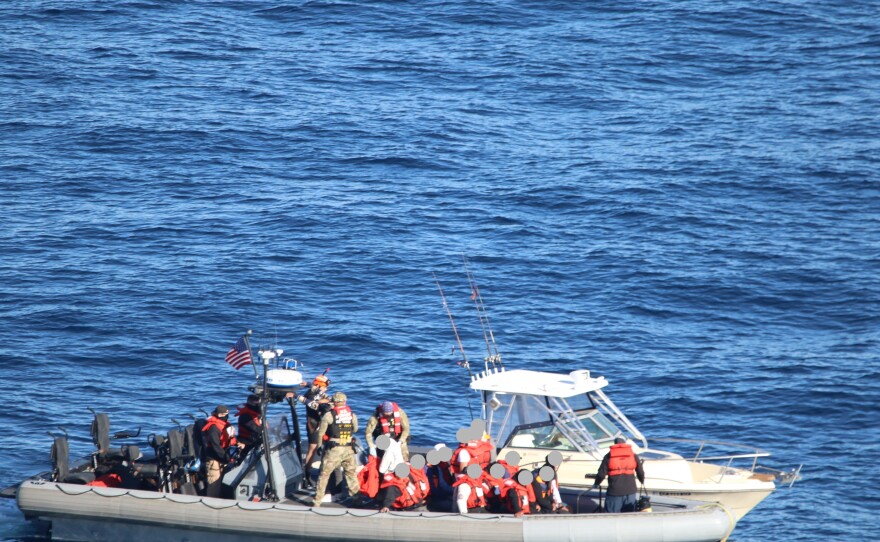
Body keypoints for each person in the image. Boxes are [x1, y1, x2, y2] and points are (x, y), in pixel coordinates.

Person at [312, 391, 360, 507]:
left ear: (334, 402)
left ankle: (317, 501)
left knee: (324, 474)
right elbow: (355, 429)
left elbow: (321, 433)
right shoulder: (352, 414)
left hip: (334, 450)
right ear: (344, 401)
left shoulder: (329, 415)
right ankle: (357, 499)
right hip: (348, 448)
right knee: (351, 475)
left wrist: (319, 446)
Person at [593, 437, 646, 513]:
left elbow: (601, 474)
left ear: (615, 445)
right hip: (630, 491)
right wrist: (642, 480)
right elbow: (640, 472)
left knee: (611, 516)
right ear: (625, 444)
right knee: (629, 516)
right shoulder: (633, 455)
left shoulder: (608, 456)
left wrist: (596, 483)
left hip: (614, 492)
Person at [297, 375, 332, 484]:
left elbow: (330, 401)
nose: (325, 389)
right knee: (313, 448)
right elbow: (314, 405)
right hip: (314, 424)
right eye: (324, 387)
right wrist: (297, 396)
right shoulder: (310, 395)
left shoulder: (319, 393)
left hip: (324, 423)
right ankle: (306, 473)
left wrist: (309, 384)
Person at [202, 405, 237, 498]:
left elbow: (229, 440)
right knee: (214, 482)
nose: (226, 416)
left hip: (223, 457)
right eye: (224, 414)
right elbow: (215, 446)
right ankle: (211, 501)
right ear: (219, 414)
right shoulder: (214, 428)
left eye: (227, 414)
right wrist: (225, 457)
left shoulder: (225, 425)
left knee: (223, 481)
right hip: (214, 459)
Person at [236, 394, 262, 460]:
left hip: (256, 442)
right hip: (247, 444)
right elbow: (257, 429)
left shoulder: (257, 415)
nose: (258, 406)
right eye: (256, 404)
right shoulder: (245, 416)